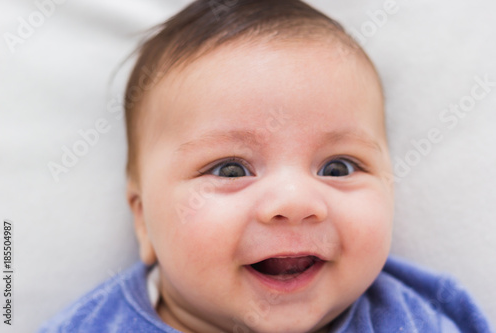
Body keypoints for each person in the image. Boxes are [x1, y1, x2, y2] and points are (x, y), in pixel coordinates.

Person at [38, 0, 492, 332]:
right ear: (143, 221)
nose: (295, 203)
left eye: (338, 167)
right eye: (231, 170)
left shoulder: (414, 318)